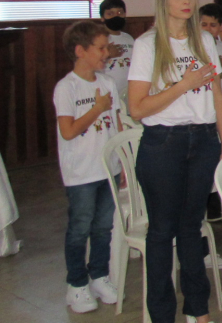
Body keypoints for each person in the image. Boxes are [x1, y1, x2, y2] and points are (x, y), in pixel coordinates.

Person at [129, 0, 222, 323]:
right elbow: (137, 108)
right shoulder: (147, 44)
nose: (186, 1)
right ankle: (161, 313)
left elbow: (217, 93)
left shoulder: (204, 40)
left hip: (202, 140)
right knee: (161, 231)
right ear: (164, 0)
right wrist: (183, 85)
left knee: (192, 226)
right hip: (164, 144)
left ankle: (198, 309)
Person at [54, 21, 123, 313]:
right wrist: (96, 109)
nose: (106, 53)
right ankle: (77, 284)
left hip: (108, 169)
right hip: (81, 173)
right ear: (80, 51)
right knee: (79, 229)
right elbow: (68, 131)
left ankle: (99, 275)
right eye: (101, 47)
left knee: (103, 227)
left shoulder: (107, 83)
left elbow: (117, 126)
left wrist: (122, 164)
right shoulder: (66, 87)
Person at [99, 0, 134, 97]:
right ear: (102, 17)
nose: (116, 16)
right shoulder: (98, 39)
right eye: (110, 14)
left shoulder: (129, 38)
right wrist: (107, 54)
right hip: (106, 92)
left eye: (120, 13)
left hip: (128, 92)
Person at [199, 4, 222, 97]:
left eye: (213, 25)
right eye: (204, 25)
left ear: (221, 27)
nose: (208, 29)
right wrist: (218, 65)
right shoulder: (195, 48)